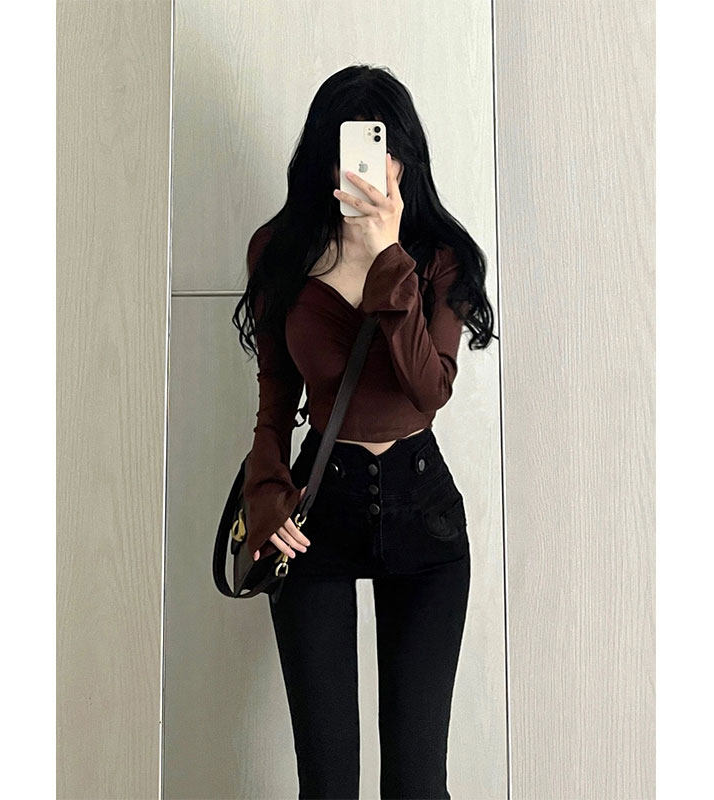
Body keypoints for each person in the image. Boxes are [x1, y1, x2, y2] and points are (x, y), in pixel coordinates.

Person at [233, 64, 497, 800]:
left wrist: (387, 257)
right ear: (324, 158)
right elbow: (275, 398)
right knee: (327, 786)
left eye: (385, 152)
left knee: (416, 784)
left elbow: (428, 389)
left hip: (424, 518)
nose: (369, 169)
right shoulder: (280, 251)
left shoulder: (438, 257)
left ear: (404, 159)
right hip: (317, 514)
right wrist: (265, 490)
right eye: (348, 152)